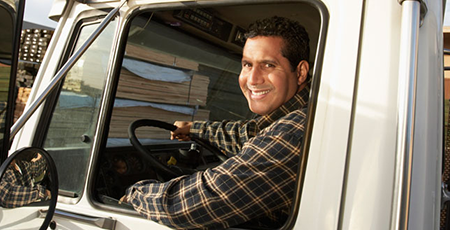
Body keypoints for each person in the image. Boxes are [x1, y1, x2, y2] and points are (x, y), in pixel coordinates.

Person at [121, 16, 311, 229]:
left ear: (301, 72)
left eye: (268, 65)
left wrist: (135, 194)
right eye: (247, 64)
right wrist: (193, 128)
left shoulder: (296, 131)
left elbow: (197, 203)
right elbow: (248, 133)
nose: (252, 79)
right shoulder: (293, 118)